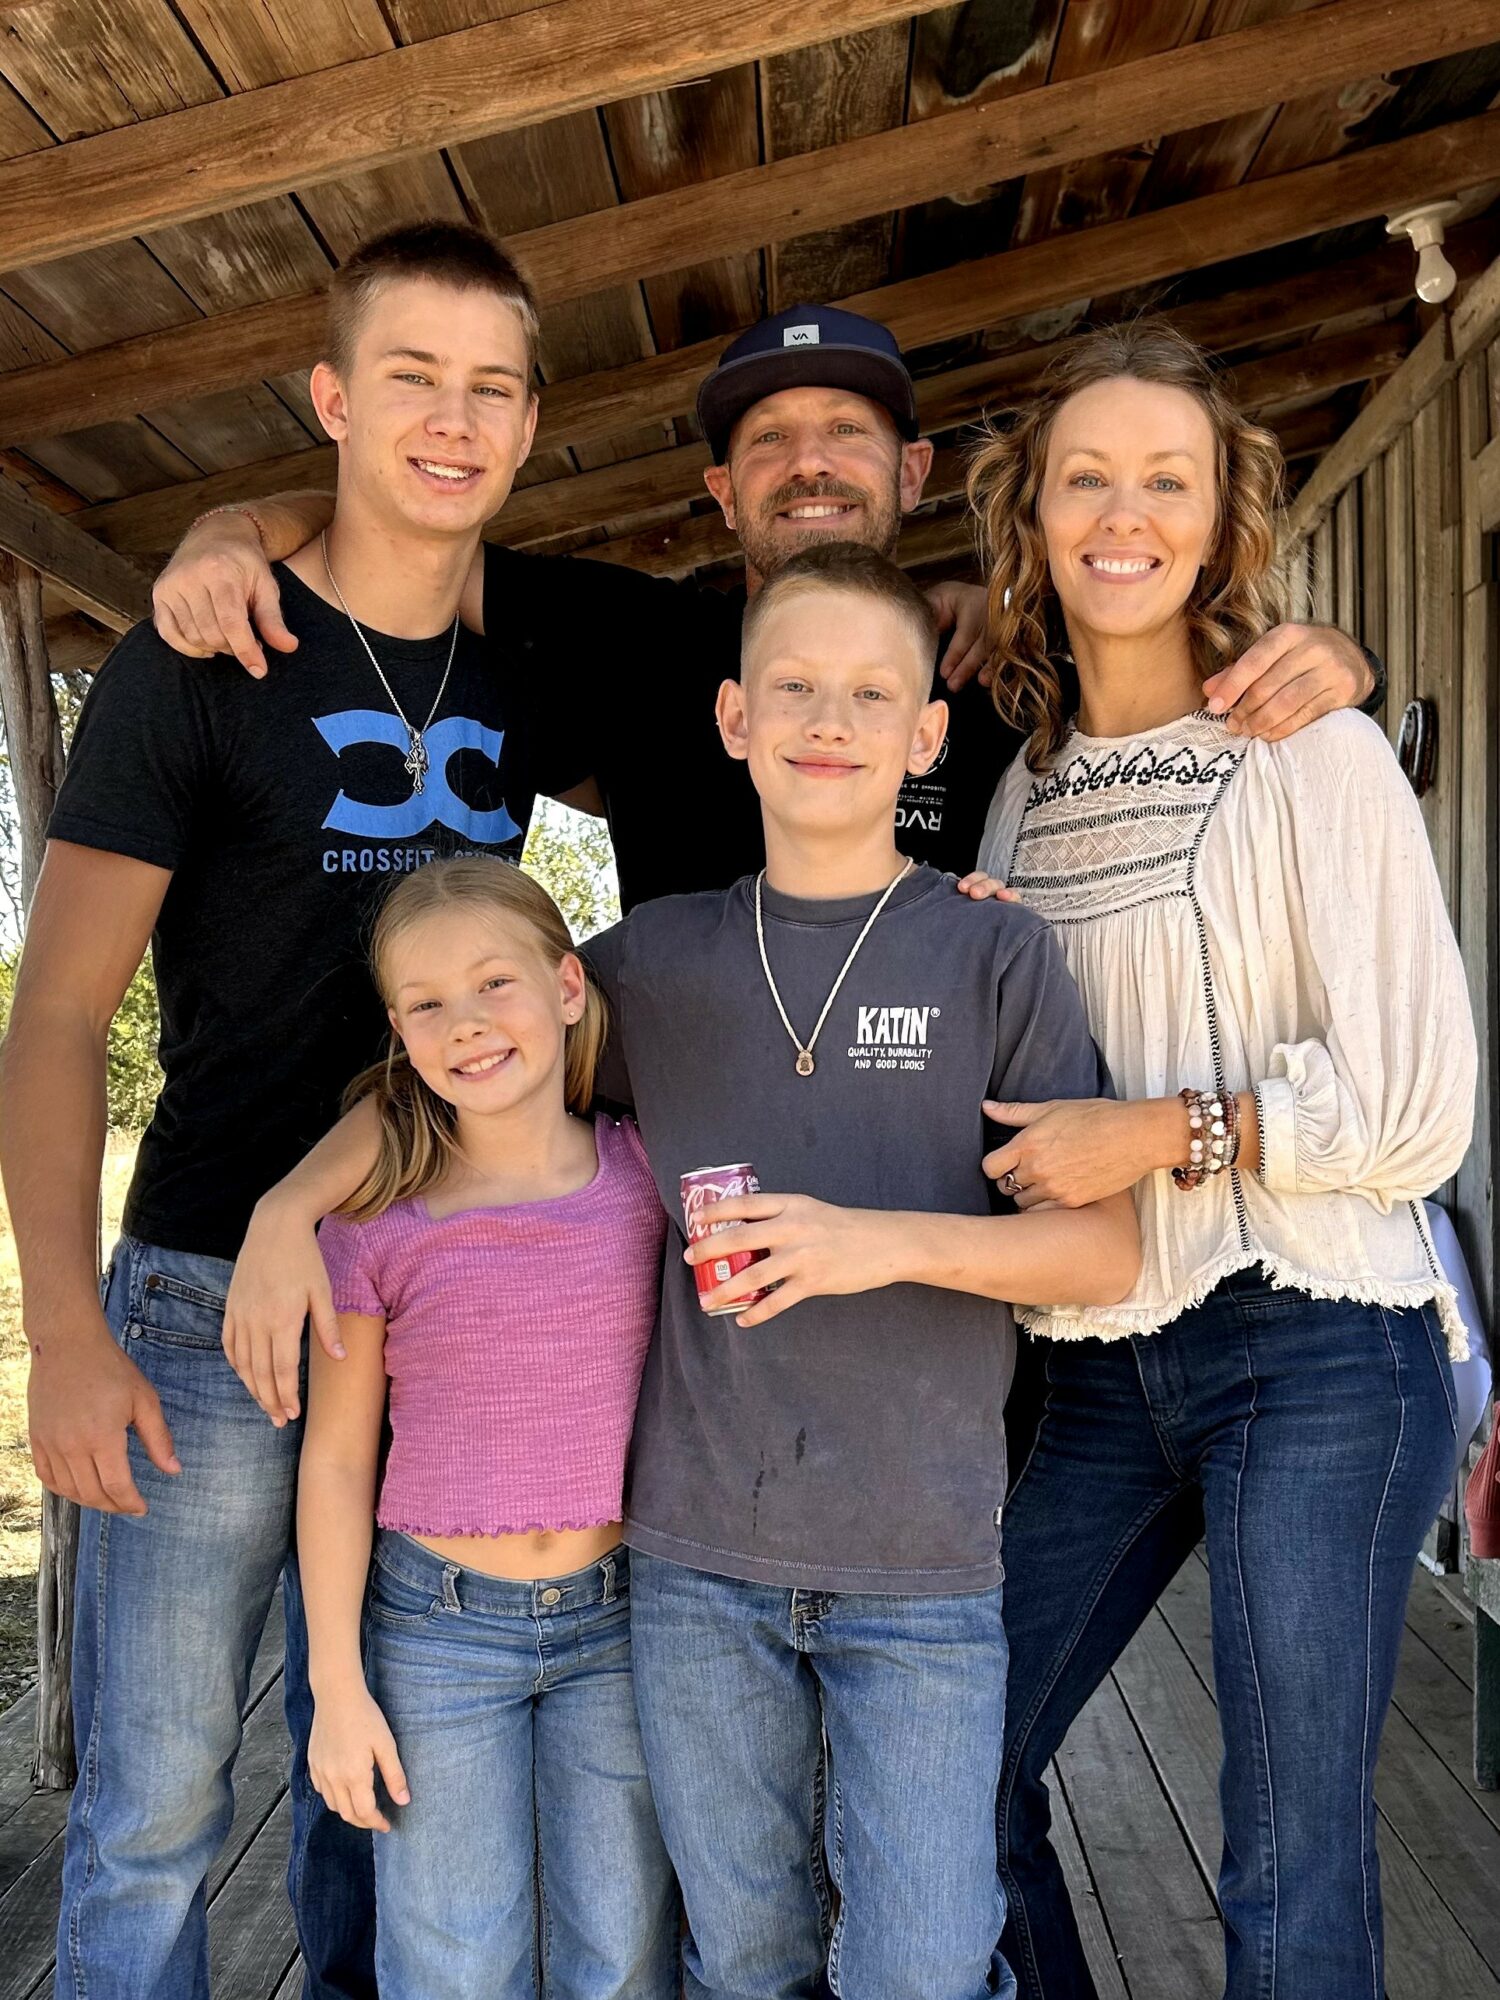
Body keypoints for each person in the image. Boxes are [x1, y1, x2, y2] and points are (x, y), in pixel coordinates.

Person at [233, 540, 1143, 2000]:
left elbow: (1101, 1250)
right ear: (734, 719)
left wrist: (870, 1243)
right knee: (745, 1956)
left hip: (920, 1558)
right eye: (793, 688)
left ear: (928, 735)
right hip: (695, 1565)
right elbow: (469, 1050)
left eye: (872, 694)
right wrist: (290, 1205)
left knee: (922, 1966)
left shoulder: (995, 955)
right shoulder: (654, 962)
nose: (829, 721)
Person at [0, 221, 558, 2000]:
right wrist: (65, 1335)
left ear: (532, 421)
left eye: (491, 389)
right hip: (196, 1313)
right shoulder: (198, 657)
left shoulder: (521, 660)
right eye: (412, 379)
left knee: (381, 1777)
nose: (452, 422)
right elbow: (57, 1017)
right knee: (159, 1811)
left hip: (431, 1303)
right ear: (332, 397)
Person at [964, 321, 1473, 2000]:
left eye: (1166, 481)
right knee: (951, 1769)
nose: (1125, 516)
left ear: (1220, 517)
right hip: (1097, 1367)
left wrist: (1162, 1131)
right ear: (1031, 515)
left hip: (1319, 1342)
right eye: (1086, 480)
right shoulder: (1022, 796)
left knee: (1283, 1863)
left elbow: (1420, 1108)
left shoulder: (1314, 747)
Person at [150, 301, 1386, 909]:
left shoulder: (996, 654)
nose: (810, 464)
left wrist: (1342, 659)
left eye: (847, 430)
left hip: (953, 1216)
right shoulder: (641, 640)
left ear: (913, 471)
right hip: (705, 1205)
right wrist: (231, 529)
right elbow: (407, 528)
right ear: (721, 490)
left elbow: (1183, 647)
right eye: (770, 440)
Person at [301, 856, 675, 1999]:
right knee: (451, 1958)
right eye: (425, 1003)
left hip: (624, 1617)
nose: (464, 1022)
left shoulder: (649, 1179)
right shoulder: (373, 1223)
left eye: (493, 982)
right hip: (439, 1629)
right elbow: (337, 1460)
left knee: (622, 1949)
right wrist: (336, 1685)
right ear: (399, 1034)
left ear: (567, 986)